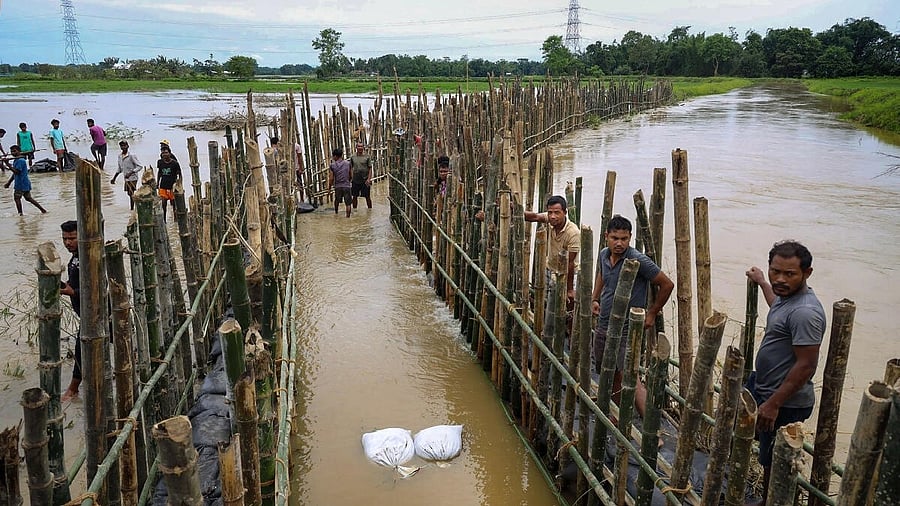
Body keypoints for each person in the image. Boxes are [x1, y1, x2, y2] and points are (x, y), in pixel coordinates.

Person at [744, 240, 825, 506]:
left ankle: (773, 501)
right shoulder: (786, 297)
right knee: (764, 451)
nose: (779, 279)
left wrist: (773, 404)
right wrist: (761, 282)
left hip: (784, 402)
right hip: (767, 390)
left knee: (775, 463)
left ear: (807, 273)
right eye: (774, 271)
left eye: (789, 274)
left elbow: (806, 365)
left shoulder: (805, 312)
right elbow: (776, 304)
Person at [590, 214, 673, 417]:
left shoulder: (638, 260)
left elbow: (667, 284)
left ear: (630, 238)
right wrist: (595, 298)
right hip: (604, 322)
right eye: (615, 238)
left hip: (627, 328)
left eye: (624, 239)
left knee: (629, 375)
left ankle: (650, 429)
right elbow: (601, 275)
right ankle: (617, 414)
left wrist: (652, 313)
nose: (619, 243)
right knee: (607, 369)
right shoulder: (603, 254)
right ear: (606, 236)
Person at [60, 220, 81, 401]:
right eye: (65, 239)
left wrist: (73, 291)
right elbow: (75, 282)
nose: (68, 242)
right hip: (85, 313)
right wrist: (67, 287)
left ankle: (73, 389)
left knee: (81, 349)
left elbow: (98, 285)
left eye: (72, 238)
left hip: (99, 314)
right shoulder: (74, 257)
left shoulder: (89, 256)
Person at [4, 145, 48, 215]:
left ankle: (20, 214)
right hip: (24, 183)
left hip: (21, 183)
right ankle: (43, 210)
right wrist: (9, 182)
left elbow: (17, 172)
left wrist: (8, 164)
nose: (13, 153)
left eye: (14, 151)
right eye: (12, 151)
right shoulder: (17, 160)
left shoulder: (21, 161)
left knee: (17, 198)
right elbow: (15, 174)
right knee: (28, 198)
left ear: (19, 151)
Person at [111, 140, 142, 210]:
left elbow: (139, 166)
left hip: (133, 178)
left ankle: (132, 209)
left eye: (125, 145)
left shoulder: (131, 156)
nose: (123, 147)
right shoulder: (119, 156)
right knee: (129, 193)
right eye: (122, 146)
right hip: (126, 178)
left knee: (131, 193)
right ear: (120, 147)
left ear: (128, 146)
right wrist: (114, 178)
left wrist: (131, 172)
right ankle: (136, 205)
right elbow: (119, 168)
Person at [156, 149, 182, 222]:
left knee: (174, 204)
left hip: (172, 186)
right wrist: (157, 182)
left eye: (166, 153)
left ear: (170, 154)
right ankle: (164, 220)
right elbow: (159, 173)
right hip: (163, 185)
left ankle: (176, 220)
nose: (164, 154)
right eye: (163, 153)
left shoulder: (175, 163)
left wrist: (179, 184)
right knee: (163, 204)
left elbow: (179, 174)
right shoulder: (160, 162)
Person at [328, 147, 352, 217]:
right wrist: (348, 181)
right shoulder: (348, 163)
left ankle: (336, 213)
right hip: (346, 185)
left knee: (337, 200)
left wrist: (329, 188)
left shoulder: (332, 165)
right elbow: (351, 175)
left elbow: (331, 178)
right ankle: (348, 217)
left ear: (335, 156)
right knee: (348, 203)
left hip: (338, 186)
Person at [349, 142, 373, 209]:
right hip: (355, 180)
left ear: (363, 148)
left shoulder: (367, 157)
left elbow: (370, 168)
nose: (360, 148)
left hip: (365, 180)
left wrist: (369, 179)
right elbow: (350, 167)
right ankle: (355, 210)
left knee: (367, 196)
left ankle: (370, 210)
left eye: (361, 146)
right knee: (354, 196)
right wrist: (351, 177)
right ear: (356, 148)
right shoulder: (353, 157)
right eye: (358, 146)